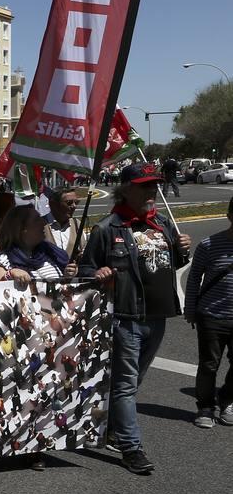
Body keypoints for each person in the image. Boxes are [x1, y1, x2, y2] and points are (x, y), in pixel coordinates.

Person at [80, 163, 191, 474]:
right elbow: (86, 269)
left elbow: (171, 264)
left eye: (154, 185)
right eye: (144, 185)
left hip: (158, 316)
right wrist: (97, 273)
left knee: (134, 380)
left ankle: (113, 427)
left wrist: (183, 249)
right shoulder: (108, 228)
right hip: (126, 317)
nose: (151, 191)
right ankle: (131, 447)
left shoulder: (163, 224)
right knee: (127, 384)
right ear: (126, 188)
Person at [183, 196, 233, 428]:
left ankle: (228, 400)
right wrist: (190, 308)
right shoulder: (209, 245)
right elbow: (193, 279)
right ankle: (205, 407)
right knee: (209, 364)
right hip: (212, 315)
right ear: (230, 216)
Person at [0, 206, 79, 283]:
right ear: (21, 229)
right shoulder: (1, 261)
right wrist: (10, 274)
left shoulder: (51, 253)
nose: (43, 223)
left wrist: (67, 276)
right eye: (37, 220)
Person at [46, 187, 87, 254]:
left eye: (76, 202)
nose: (74, 206)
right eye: (69, 203)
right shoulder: (41, 226)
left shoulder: (77, 224)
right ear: (53, 204)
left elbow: (84, 249)